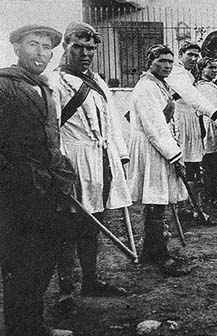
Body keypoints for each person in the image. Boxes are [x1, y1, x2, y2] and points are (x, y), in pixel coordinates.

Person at [49, 22, 130, 314]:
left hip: (100, 159)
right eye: (78, 47)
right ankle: (65, 291)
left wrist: (121, 155)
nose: (86, 53)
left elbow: (112, 121)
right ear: (65, 47)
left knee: (94, 223)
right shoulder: (55, 83)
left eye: (91, 48)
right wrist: (59, 167)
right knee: (67, 227)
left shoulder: (97, 80)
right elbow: (51, 131)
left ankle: (92, 282)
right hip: (73, 160)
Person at [0, 24, 75, 336]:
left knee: (43, 261)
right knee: (19, 265)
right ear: (17, 48)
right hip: (15, 193)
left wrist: (61, 172)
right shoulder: (4, 86)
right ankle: (22, 328)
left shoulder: (45, 89)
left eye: (47, 47)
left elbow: (51, 140)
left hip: (47, 189)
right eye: (34, 45)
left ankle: (34, 325)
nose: (41, 53)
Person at [128, 44, 190, 276]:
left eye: (170, 62)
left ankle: (149, 252)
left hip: (160, 147)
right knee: (155, 201)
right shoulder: (145, 87)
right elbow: (155, 127)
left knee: (157, 202)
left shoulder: (160, 85)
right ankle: (162, 257)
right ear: (150, 61)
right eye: (161, 61)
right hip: (151, 148)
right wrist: (174, 155)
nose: (166, 66)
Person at [167, 42, 217, 219]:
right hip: (180, 121)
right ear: (181, 54)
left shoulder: (187, 73)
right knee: (184, 165)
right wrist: (215, 114)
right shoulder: (177, 72)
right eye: (190, 55)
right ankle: (187, 207)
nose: (194, 59)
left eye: (197, 55)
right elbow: (191, 96)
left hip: (192, 121)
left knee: (192, 165)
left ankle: (190, 206)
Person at [196, 57, 217, 208]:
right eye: (210, 68)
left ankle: (213, 194)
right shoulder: (202, 87)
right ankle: (210, 196)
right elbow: (209, 111)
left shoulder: (212, 85)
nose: (214, 71)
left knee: (216, 163)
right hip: (211, 127)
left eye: (216, 68)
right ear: (202, 69)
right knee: (210, 165)